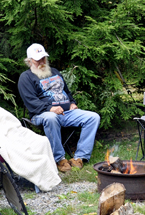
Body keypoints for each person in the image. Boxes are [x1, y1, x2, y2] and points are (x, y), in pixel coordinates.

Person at [18, 43, 100, 173]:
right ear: (29, 61)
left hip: (66, 112)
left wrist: (72, 102)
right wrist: (50, 108)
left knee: (93, 117)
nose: (41, 61)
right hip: (42, 114)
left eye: (43, 58)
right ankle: (59, 159)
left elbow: (66, 91)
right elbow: (31, 102)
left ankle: (80, 157)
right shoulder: (25, 77)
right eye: (37, 59)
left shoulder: (54, 72)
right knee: (51, 117)